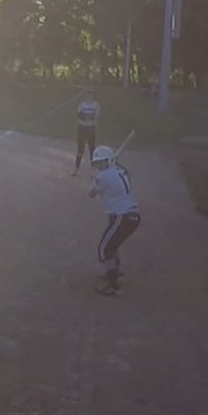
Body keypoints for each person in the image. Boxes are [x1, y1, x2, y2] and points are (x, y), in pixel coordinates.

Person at [87, 145, 141, 296]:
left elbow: (91, 193)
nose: (98, 165)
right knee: (112, 246)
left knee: (104, 248)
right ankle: (113, 273)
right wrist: (100, 176)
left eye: (101, 162)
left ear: (108, 161)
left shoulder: (104, 176)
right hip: (130, 216)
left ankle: (113, 285)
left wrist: (96, 180)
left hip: (122, 216)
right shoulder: (120, 171)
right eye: (97, 163)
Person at [72, 89, 100, 176]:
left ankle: (93, 170)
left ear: (93, 95)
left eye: (91, 94)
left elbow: (95, 116)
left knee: (92, 149)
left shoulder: (96, 105)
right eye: (88, 94)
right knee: (80, 149)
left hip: (91, 129)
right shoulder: (82, 105)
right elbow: (79, 116)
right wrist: (85, 117)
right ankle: (76, 169)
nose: (89, 96)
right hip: (82, 128)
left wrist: (86, 117)